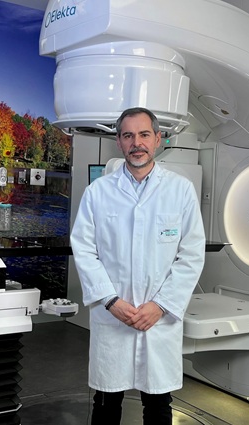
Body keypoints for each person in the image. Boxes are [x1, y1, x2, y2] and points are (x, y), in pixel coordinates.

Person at [70, 107, 206, 424]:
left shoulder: (180, 190)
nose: (137, 143)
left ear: (158, 139)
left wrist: (161, 305)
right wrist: (110, 301)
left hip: (158, 317)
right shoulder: (98, 192)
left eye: (144, 134)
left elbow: (191, 253)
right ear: (119, 141)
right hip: (113, 314)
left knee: (158, 405)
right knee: (106, 402)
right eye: (128, 136)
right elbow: (84, 249)